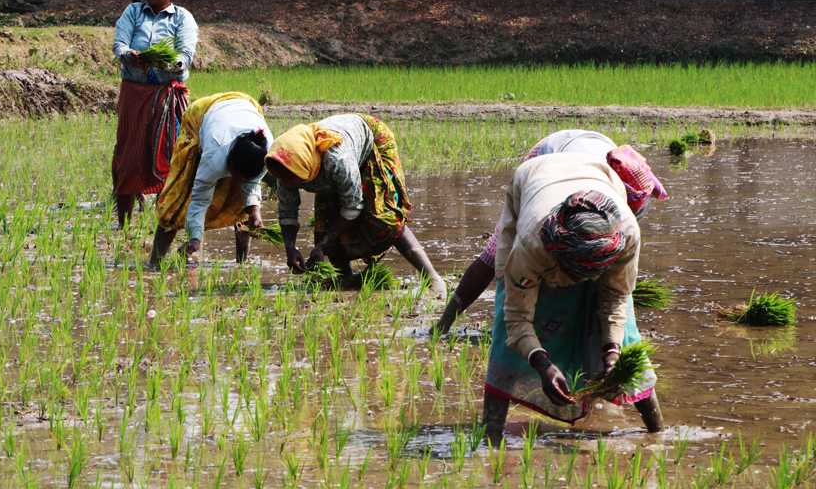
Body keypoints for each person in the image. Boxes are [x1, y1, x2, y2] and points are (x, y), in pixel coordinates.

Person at [480, 152, 663, 444]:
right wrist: (542, 363)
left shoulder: (625, 234)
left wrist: (612, 352)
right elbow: (515, 316)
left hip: (596, 177)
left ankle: (657, 433)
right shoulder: (531, 243)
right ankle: (490, 438)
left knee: (626, 332)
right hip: (534, 180)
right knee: (505, 330)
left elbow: (616, 297)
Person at [434, 130, 667, 334]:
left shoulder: (633, 196)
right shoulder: (567, 193)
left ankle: (584, 327)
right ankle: (443, 323)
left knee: (596, 253)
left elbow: (617, 265)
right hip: (550, 159)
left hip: (595, 154)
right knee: (497, 253)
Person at [264, 113, 447, 296]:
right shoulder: (286, 167)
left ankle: (433, 278)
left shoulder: (337, 161)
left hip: (371, 143)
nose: (285, 183)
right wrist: (290, 248)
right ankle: (346, 281)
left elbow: (353, 207)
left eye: (289, 178)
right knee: (326, 222)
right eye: (281, 178)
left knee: (382, 217)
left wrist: (322, 246)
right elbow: (288, 211)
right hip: (333, 166)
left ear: (304, 166)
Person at [112, 0, 199, 227]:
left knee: (171, 156)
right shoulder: (133, 12)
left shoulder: (183, 18)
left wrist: (160, 61)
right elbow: (119, 44)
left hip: (167, 96)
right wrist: (131, 56)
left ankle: (167, 220)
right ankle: (123, 224)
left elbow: (184, 57)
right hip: (134, 95)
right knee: (128, 156)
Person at [150, 92, 273, 265]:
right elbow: (199, 199)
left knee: (240, 204)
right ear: (228, 156)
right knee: (178, 198)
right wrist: (195, 238)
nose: (237, 180)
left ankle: (242, 264)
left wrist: (255, 212)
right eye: (236, 175)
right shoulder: (214, 156)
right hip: (201, 115)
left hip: (247, 105)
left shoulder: (265, 155)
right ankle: (155, 262)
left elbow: (252, 184)